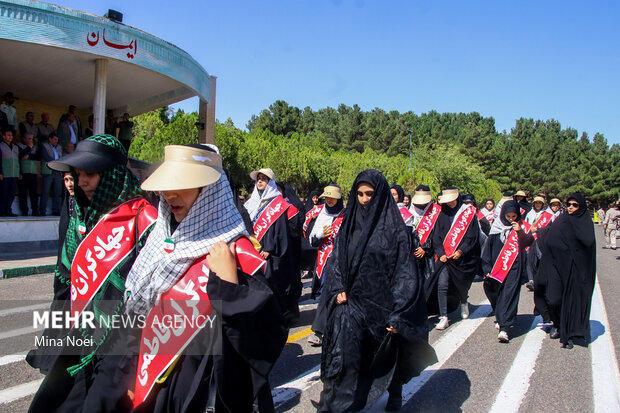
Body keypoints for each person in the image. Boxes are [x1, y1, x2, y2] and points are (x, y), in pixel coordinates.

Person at [124, 144, 287, 412]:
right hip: (155, 386)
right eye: (167, 184)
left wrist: (229, 286)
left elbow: (265, 340)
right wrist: (130, 374)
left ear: (209, 191)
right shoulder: (161, 243)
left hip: (203, 393)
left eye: (184, 183)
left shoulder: (236, 253)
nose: (170, 194)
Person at [27, 134, 158, 411]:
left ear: (112, 174)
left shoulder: (145, 219)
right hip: (81, 333)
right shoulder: (85, 212)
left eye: (90, 173)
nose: (81, 181)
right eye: (78, 173)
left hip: (119, 344)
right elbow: (66, 277)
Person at [318, 170, 436, 412]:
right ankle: (337, 406)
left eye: (369, 193)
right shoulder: (349, 225)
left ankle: (395, 392)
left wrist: (399, 315)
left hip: (383, 308)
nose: (364, 199)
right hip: (351, 306)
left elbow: (405, 273)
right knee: (345, 358)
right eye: (359, 194)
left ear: (380, 194)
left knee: (388, 356)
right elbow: (337, 260)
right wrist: (338, 288)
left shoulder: (396, 231)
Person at [538, 193, 596, 349]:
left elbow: (588, 246)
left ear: (582, 207)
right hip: (556, 268)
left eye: (575, 205)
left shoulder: (585, 224)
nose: (571, 207)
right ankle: (557, 322)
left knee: (571, 301)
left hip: (575, 271)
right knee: (553, 298)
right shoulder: (561, 219)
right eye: (569, 204)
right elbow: (548, 236)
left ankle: (568, 332)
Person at [244, 168, 300, 324]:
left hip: (270, 252)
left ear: (271, 182)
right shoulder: (251, 202)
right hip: (253, 250)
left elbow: (280, 230)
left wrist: (269, 248)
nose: (260, 181)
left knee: (272, 284)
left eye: (264, 178)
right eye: (258, 179)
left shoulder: (278, 203)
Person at [427, 187, 481, 330]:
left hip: (462, 258)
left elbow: (472, 236)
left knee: (461, 284)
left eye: (451, 201)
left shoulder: (468, 213)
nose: (449, 203)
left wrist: (461, 251)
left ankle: (464, 301)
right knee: (442, 285)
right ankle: (443, 316)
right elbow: (436, 236)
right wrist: (441, 252)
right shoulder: (442, 213)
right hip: (445, 258)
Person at [482, 200, 534, 342]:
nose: (511, 219)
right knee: (497, 294)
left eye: (514, 216)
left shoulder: (521, 227)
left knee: (510, 294)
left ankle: (505, 328)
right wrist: (486, 268)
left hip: (514, 267)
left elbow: (528, 242)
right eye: (508, 216)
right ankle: (501, 317)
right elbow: (487, 250)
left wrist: (519, 231)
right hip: (497, 268)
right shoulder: (496, 228)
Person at [304, 184, 345, 346]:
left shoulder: (346, 215)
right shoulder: (322, 214)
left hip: (342, 261)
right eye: (326, 197)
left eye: (332, 197)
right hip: (324, 261)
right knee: (326, 293)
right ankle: (323, 329)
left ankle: (322, 330)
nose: (329, 200)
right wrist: (321, 234)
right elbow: (312, 240)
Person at [409, 185, 441, 281]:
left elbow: (437, 232)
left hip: (431, 252)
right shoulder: (410, 211)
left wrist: (425, 247)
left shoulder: (437, 210)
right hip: (414, 251)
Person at [38, 133, 63, 216]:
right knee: (45, 191)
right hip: (48, 170)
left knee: (57, 191)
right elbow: (47, 157)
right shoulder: (44, 146)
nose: (56, 141)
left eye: (57, 139)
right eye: (55, 139)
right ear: (50, 139)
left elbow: (61, 157)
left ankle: (56, 210)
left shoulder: (59, 147)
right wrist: (56, 163)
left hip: (57, 171)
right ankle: (42, 210)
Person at [17, 133, 39, 216]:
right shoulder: (18, 146)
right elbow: (20, 155)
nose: (31, 140)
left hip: (33, 172)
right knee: (23, 193)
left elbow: (38, 156)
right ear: (24, 139)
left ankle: (35, 211)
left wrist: (28, 156)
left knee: (34, 193)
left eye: (32, 139)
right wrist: (28, 148)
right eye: (29, 138)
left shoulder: (35, 146)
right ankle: (24, 211)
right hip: (23, 172)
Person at [0, 129, 20, 216]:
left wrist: (20, 172)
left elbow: (18, 160)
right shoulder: (0, 146)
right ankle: (1, 211)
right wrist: (0, 172)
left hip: (14, 173)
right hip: (5, 173)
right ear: (3, 136)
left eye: (11, 135)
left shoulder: (15, 147)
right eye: (8, 135)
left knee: (11, 193)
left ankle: (8, 210)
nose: (10, 137)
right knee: (3, 193)